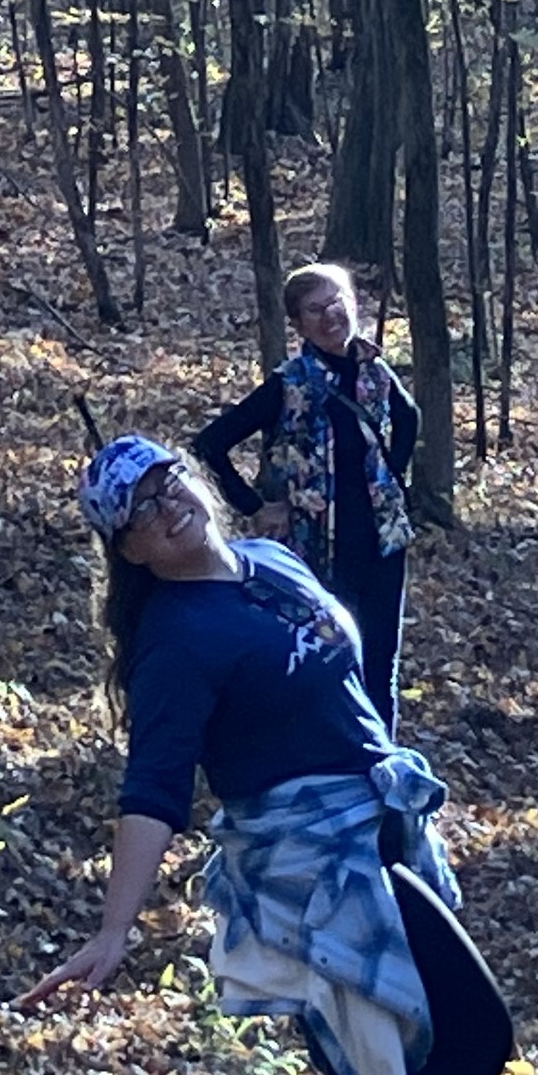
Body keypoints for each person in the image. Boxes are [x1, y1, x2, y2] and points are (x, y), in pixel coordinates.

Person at [23, 435, 510, 1075]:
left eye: (167, 480)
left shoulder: (268, 562)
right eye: (141, 510)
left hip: (377, 827)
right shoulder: (175, 642)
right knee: (474, 1038)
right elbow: (153, 788)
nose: (167, 505)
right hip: (312, 863)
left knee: (370, 1068)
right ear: (130, 551)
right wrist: (115, 928)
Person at [189, 261, 417, 729]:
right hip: (316, 548)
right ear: (298, 324)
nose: (331, 315)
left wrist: (391, 478)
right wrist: (255, 506)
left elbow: (408, 417)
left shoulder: (375, 371)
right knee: (327, 662)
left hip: (384, 542)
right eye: (316, 309)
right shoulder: (289, 384)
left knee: (381, 663)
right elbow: (208, 446)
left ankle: (383, 760)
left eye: (339, 302)